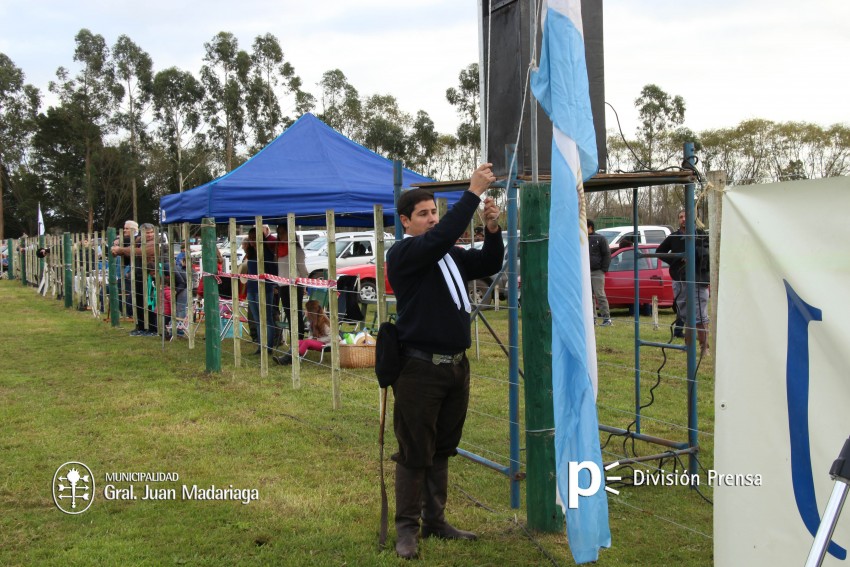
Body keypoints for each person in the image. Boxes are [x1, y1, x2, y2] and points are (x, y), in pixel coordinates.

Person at [386, 163, 504, 559]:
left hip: (455, 366)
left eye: (435, 212)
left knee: (442, 448)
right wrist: (471, 194)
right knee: (414, 449)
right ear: (405, 222)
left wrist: (491, 230)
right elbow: (438, 240)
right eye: (423, 214)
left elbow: (488, 265)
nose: (432, 218)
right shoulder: (404, 254)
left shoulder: (448, 254)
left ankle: (435, 520)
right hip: (419, 368)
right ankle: (407, 529)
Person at [655, 208, 711, 356]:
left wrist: (692, 255)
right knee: (685, 314)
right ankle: (689, 348)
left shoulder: (701, 234)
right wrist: (677, 259)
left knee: (700, 315)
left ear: (693, 217)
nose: (683, 219)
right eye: (680, 217)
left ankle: (704, 348)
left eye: (686, 216)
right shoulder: (673, 237)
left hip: (698, 280)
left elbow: (707, 254)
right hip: (680, 280)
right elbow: (659, 252)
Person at [111, 223, 157, 336]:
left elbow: (141, 252)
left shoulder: (155, 242)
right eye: (148, 233)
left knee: (150, 303)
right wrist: (117, 250)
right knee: (139, 303)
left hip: (150, 276)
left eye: (152, 232)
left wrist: (119, 249)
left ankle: (152, 329)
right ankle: (141, 327)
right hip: (139, 274)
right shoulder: (139, 241)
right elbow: (131, 251)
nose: (150, 235)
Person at [245, 227, 277, 354]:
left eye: (254, 239)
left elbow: (273, 271)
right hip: (251, 289)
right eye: (250, 239)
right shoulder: (250, 252)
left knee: (266, 318)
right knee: (257, 319)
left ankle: (268, 346)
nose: (252, 241)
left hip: (264, 289)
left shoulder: (266, 253)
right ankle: (260, 346)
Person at [275, 223, 308, 342]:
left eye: (282, 232)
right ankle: (294, 340)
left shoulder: (297, 251)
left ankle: (299, 340)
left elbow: (303, 271)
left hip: (294, 286)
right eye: (278, 233)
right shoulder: (280, 249)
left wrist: (304, 285)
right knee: (289, 314)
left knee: (296, 314)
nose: (280, 235)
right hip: (282, 286)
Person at [273, 299, 332, 365]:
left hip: (326, 344)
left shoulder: (324, 324)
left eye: (306, 310)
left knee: (307, 342)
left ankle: (291, 359)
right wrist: (312, 338)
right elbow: (313, 335)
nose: (305, 311)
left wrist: (317, 339)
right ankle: (286, 358)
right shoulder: (312, 322)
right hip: (318, 341)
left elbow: (333, 337)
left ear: (311, 312)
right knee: (297, 342)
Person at [587, 219, 612, 326]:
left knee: (600, 294)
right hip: (586, 272)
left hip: (597, 271)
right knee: (588, 296)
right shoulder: (582, 239)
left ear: (590, 227)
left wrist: (603, 269)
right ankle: (592, 318)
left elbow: (607, 254)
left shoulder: (600, 238)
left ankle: (607, 319)